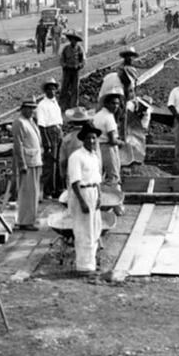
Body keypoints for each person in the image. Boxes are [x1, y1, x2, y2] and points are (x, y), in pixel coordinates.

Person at [66, 122, 104, 277]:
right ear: (83, 140)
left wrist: (100, 195)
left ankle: (92, 264)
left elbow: (97, 178)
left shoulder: (94, 156)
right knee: (83, 231)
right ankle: (83, 267)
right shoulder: (76, 157)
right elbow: (74, 181)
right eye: (89, 139)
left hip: (94, 191)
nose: (92, 141)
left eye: (94, 138)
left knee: (95, 229)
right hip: (82, 193)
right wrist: (81, 202)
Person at [12, 99, 43, 230]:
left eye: (33, 108)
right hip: (28, 162)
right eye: (29, 108)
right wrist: (22, 164)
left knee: (34, 192)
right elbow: (18, 144)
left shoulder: (31, 121)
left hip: (35, 160)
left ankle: (31, 218)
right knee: (27, 193)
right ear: (23, 108)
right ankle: (25, 221)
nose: (31, 111)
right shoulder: (19, 122)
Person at [36, 79, 63, 199]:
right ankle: (48, 191)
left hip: (58, 131)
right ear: (45, 91)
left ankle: (58, 189)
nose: (52, 91)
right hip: (50, 132)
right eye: (49, 89)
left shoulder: (55, 102)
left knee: (58, 162)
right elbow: (41, 125)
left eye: (53, 89)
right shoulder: (42, 105)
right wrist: (46, 142)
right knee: (50, 162)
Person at [93, 90, 123, 190]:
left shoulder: (97, 115)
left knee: (99, 174)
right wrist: (122, 143)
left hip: (97, 147)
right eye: (113, 103)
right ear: (106, 103)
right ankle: (113, 200)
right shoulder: (109, 117)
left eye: (117, 103)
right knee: (113, 176)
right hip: (108, 148)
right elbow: (112, 140)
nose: (116, 106)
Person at [59, 106, 93, 190]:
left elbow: (62, 161)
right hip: (89, 173)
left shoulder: (67, 139)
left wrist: (62, 174)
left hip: (72, 174)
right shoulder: (92, 138)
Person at [59, 30, 85, 110]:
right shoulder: (66, 48)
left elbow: (83, 60)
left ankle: (74, 105)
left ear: (77, 41)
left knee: (75, 88)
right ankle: (62, 104)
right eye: (72, 39)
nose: (73, 41)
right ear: (70, 40)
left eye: (75, 40)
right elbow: (61, 59)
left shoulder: (80, 49)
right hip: (67, 71)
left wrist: (79, 66)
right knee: (64, 87)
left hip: (75, 71)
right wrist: (64, 65)